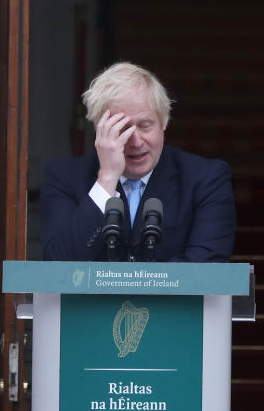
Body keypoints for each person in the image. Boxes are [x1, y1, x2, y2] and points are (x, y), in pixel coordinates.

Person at [41, 62, 236, 262]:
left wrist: (138, 284)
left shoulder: (206, 179)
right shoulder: (63, 177)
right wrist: (106, 179)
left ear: (164, 122)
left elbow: (208, 263)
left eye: (145, 126)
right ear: (100, 130)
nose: (135, 141)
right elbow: (58, 263)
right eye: (122, 128)